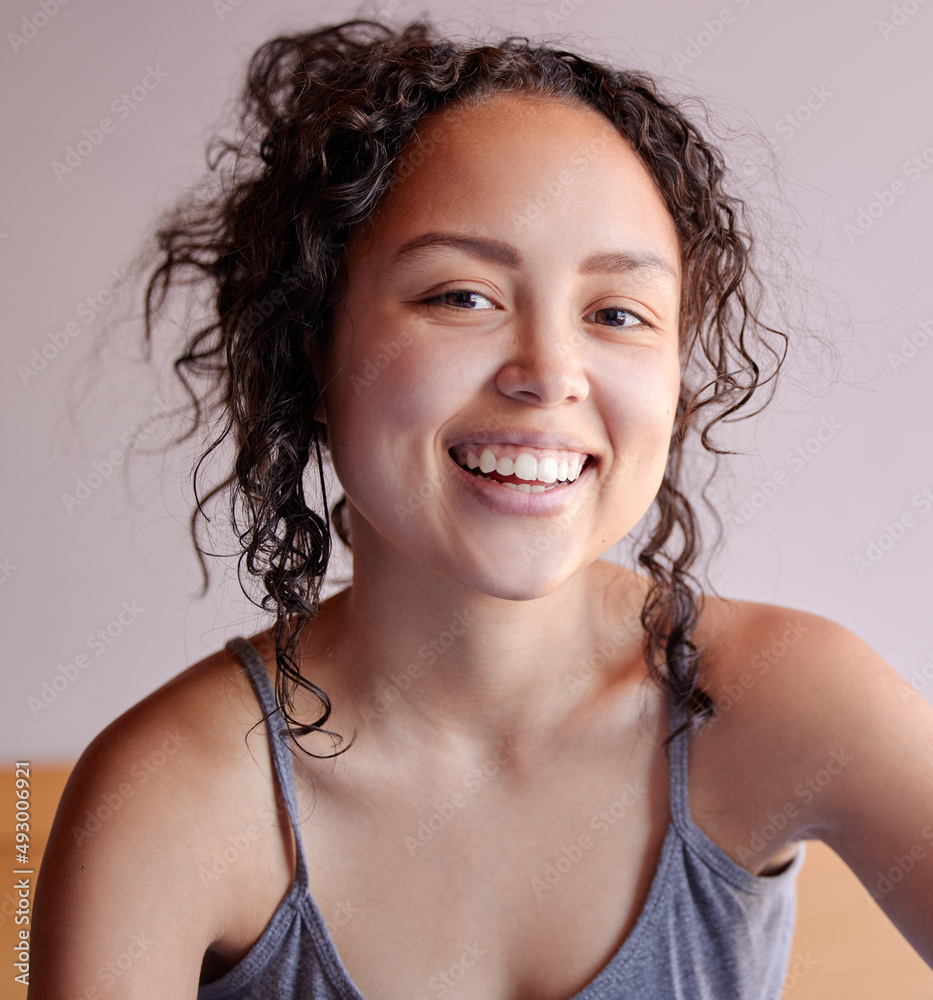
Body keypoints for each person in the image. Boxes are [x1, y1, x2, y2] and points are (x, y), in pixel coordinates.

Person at [29, 17, 933, 1000]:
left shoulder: (785, 701)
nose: (550, 374)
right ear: (309, 350)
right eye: (461, 296)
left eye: (616, 313)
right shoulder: (164, 804)